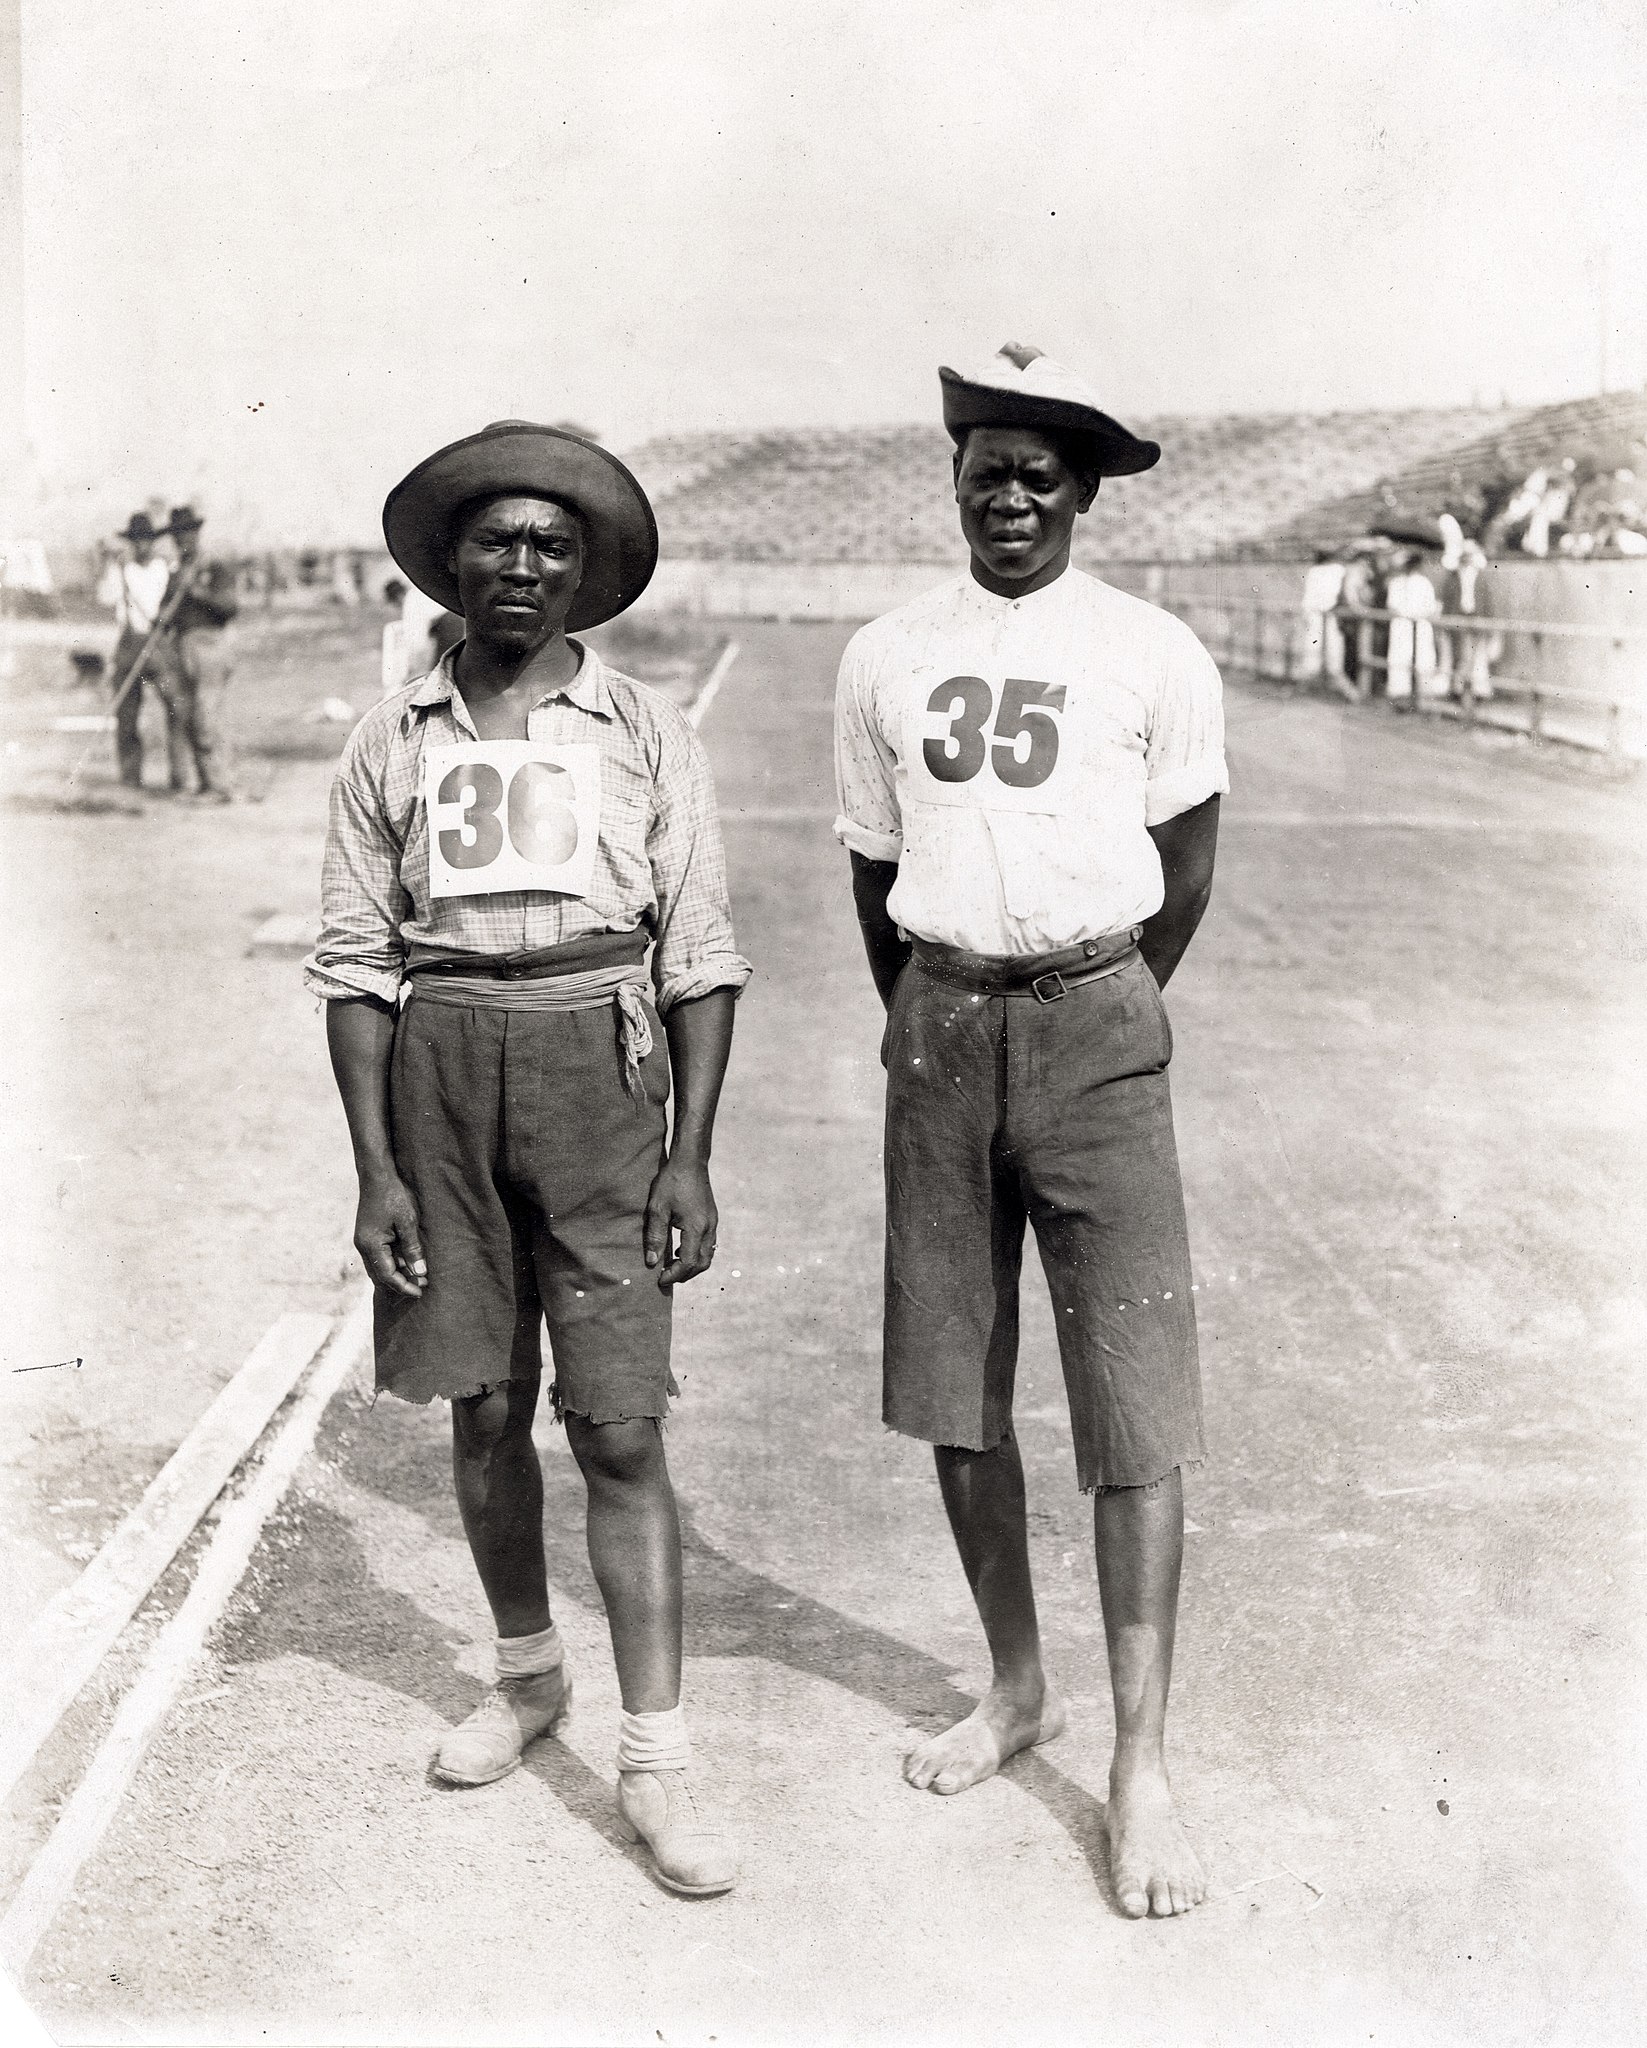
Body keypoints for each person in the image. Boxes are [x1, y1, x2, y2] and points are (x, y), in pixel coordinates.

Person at [306, 420, 750, 1897]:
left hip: (598, 1070)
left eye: (550, 546)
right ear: (451, 561)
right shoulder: (392, 735)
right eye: (494, 541)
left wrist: (687, 1157)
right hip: (440, 1068)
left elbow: (698, 957)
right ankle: (524, 1672)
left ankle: (658, 1758)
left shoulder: (643, 730)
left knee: (618, 1429)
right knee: (483, 1407)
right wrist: (375, 1169)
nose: (520, 566)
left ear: (585, 572)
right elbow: (357, 965)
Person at [833, 343, 1228, 1919]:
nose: (1009, 492)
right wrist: (936, 1003)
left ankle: (1137, 1764)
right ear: (952, 482)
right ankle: (1013, 1688)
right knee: (955, 1382)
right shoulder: (883, 653)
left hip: (1094, 1025)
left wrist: (1095, 995)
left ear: (1079, 489)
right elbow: (872, 870)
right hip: (938, 1020)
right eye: (983, 465)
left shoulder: (1149, 650)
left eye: (1037, 469)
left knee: (1135, 1405)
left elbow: (1182, 862)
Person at [155, 506, 240, 798]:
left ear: (196, 533)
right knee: (187, 715)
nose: (181, 540)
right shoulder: (177, 571)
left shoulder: (213, 566)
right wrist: (163, 617)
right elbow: (167, 610)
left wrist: (197, 593)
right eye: (176, 535)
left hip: (211, 646)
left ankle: (222, 784)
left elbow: (230, 608)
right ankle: (203, 782)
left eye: (186, 533)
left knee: (208, 716)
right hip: (183, 646)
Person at [108, 511, 172, 788]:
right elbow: (114, 607)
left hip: (158, 641)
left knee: (176, 706)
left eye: (147, 539)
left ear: (153, 542)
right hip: (130, 642)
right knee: (126, 713)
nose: (142, 545)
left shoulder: (165, 568)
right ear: (131, 543)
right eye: (137, 540)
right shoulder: (121, 570)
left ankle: (180, 777)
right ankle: (130, 777)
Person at [1383, 549, 1441, 702]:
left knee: (1423, 657)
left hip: (1418, 624)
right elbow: (1392, 606)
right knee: (1400, 657)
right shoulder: (1398, 583)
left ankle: (1422, 694)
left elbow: (1430, 607)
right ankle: (1401, 694)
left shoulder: (1422, 583)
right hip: (1403, 624)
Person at [1298, 550, 1346, 683]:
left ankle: (1313, 679)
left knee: (1315, 648)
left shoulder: (1314, 571)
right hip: (1327, 614)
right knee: (1332, 651)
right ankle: (1328, 679)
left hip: (1316, 614)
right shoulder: (1337, 570)